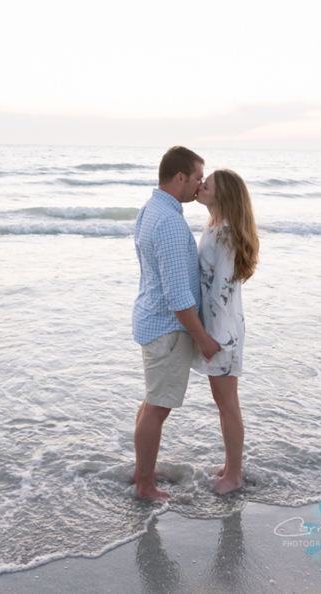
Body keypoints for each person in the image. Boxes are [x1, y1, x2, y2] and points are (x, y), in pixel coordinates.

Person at [132, 146, 221, 502]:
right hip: (167, 328)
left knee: (151, 403)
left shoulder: (152, 209)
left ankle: (144, 471)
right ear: (180, 177)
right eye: (198, 177)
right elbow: (177, 296)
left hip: (152, 320)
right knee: (157, 407)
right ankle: (144, 486)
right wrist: (203, 339)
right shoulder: (168, 222)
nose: (200, 184)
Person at [191, 169, 259, 494]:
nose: (200, 186)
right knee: (223, 401)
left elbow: (221, 290)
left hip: (223, 332)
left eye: (207, 185)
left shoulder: (226, 234)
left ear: (222, 195)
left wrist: (210, 338)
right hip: (221, 329)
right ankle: (231, 466)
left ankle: (234, 476)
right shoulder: (214, 227)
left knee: (228, 402)